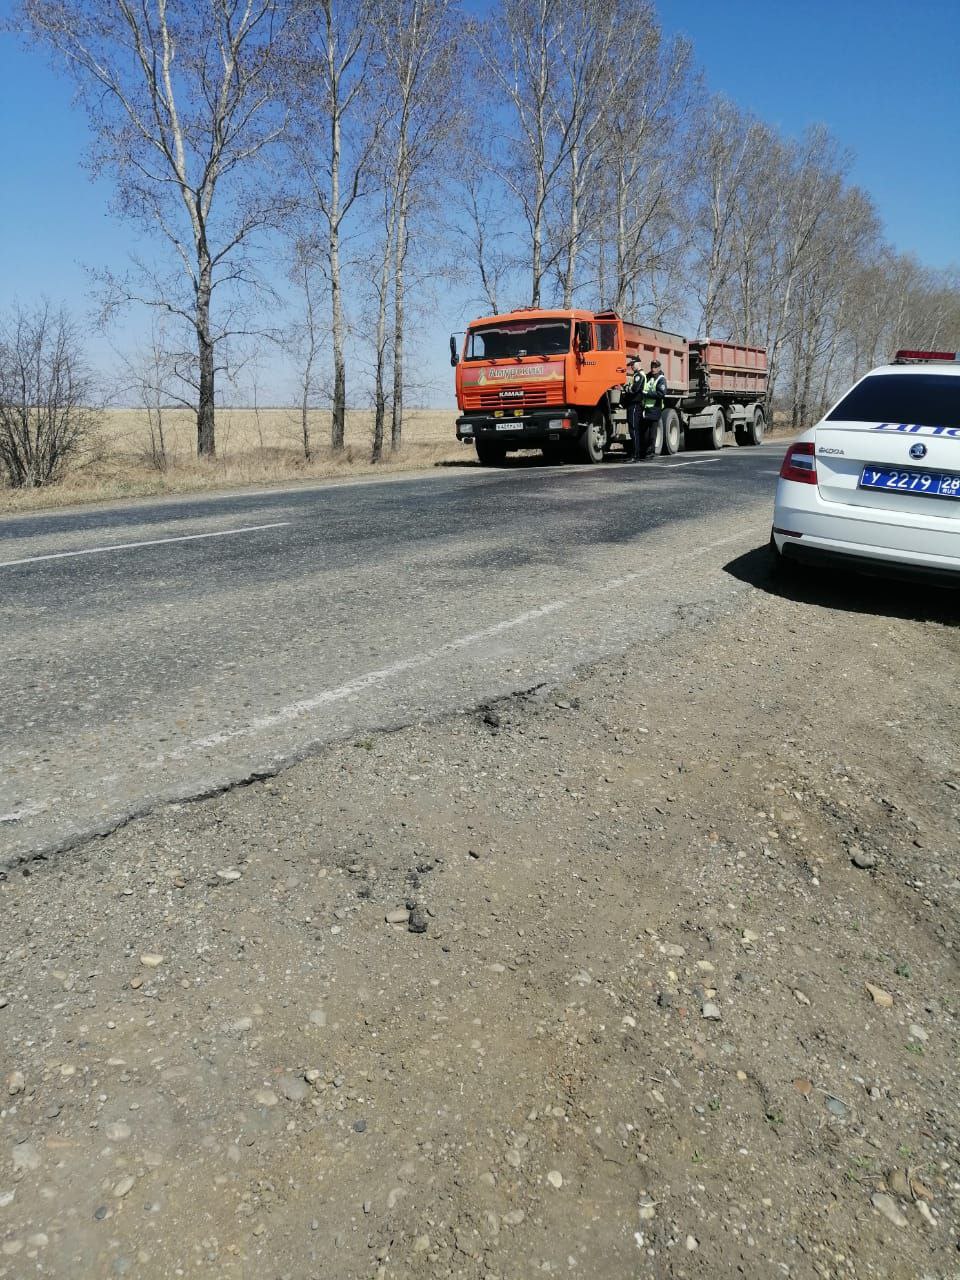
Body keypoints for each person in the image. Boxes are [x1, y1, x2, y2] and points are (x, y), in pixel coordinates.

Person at [638, 359, 668, 459]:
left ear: (659, 368)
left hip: (655, 408)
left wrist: (647, 394)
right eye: (652, 367)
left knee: (652, 433)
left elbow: (661, 394)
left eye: (655, 367)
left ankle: (651, 452)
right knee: (644, 432)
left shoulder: (661, 379)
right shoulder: (648, 376)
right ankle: (643, 452)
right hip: (646, 409)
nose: (653, 369)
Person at [622, 356, 646, 461]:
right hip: (635, 404)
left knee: (634, 430)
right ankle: (637, 454)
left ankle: (635, 455)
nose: (631, 367)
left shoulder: (639, 375)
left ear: (638, 363)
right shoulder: (637, 375)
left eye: (632, 364)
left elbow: (634, 389)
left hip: (635, 404)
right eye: (630, 365)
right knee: (635, 430)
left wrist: (625, 388)